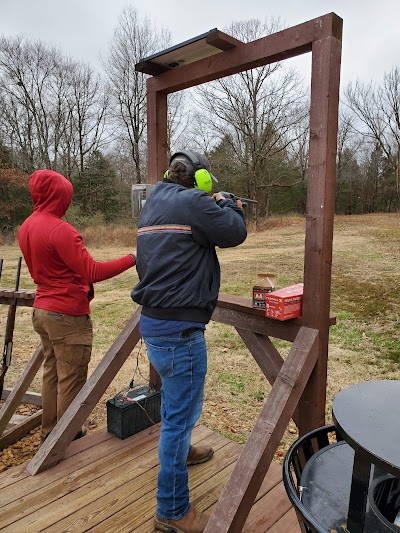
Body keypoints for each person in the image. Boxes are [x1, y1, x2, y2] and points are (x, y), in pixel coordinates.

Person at [131, 150, 247, 533]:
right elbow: (233, 232)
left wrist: (212, 204)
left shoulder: (153, 205)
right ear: (199, 180)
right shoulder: (196, 200)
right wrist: (230, 204)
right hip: (180, 331)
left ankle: (182, 454)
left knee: (177, 411)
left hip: (154, 325)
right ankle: (173, 510)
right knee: (178, 420)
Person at [17, 169, 136, 443]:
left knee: (53, 373)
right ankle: (65, 442)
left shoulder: (26, 227)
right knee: (71, 379)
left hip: (42, 310)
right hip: (67, 315)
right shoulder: (60, 230)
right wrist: (132, 257)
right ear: (59, 196)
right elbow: (92, 271)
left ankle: (50, 434)